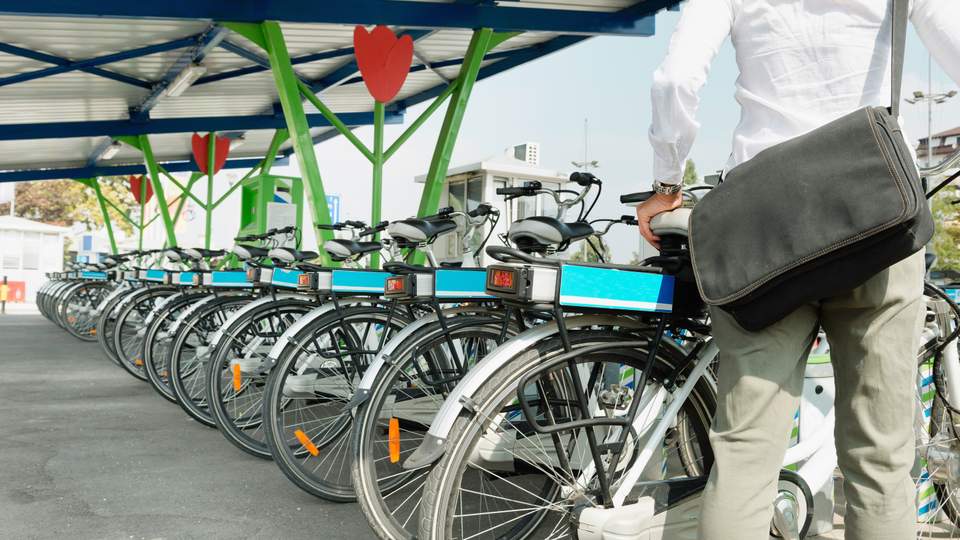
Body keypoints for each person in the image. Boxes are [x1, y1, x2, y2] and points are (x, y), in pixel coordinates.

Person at [637, 1, 960, 539]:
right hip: (876, 217)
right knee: (880, 455)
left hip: (761, 230)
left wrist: (668, 182)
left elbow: (674, 79)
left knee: (744, 450)